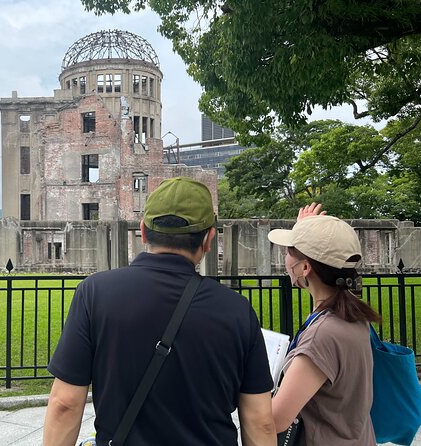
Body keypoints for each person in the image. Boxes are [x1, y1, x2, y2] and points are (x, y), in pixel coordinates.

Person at [43, 177, 276, 446]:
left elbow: (64, 403)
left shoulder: (94, 293)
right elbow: (260, 421)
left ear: (143, 231)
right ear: (209, 239)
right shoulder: (237, 310)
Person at [268, 204, 380, 445]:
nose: (285, 259)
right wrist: (306, 230)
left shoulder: (323, 335)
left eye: (289, 252)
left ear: (305, 268)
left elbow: (275, 420)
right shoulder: (350, 314)